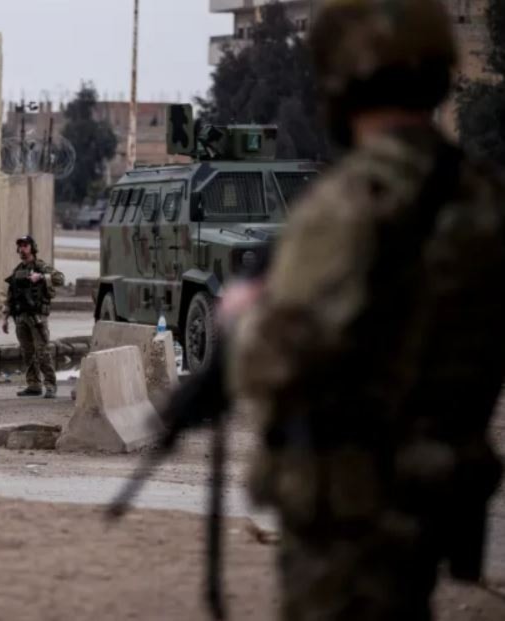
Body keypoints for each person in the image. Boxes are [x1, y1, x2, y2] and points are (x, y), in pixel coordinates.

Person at [228, 0, 505, 619]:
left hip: (350, 504)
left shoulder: (349, 203)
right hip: (444, 490)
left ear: (340, 82)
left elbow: (272, 361)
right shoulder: (483, 197)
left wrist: (242, 317)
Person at [3, 235, 65, 399]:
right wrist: (5, 317)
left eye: (25, 245)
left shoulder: (40, 266)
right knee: (27, 352)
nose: (22, 249)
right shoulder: (17, 271)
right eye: (20, 246)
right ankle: (34, 385)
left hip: (37, 318)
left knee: (42, 352)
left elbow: (60, 278)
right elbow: (11, 295)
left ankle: (50, 385)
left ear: (32, 248)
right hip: (21, 318)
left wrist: (42, 277)